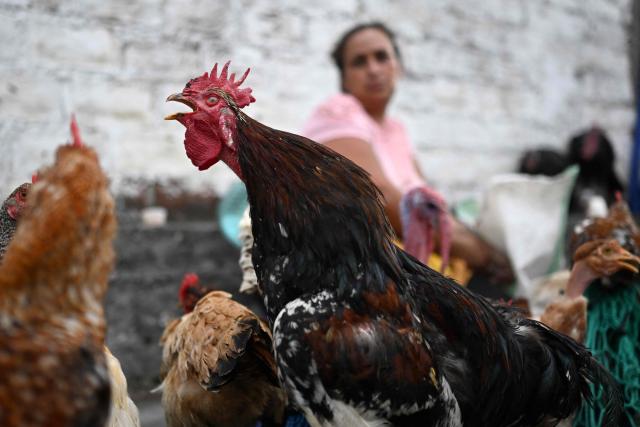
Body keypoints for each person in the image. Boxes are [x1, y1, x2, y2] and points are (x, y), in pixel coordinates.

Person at [301, 22, 514, 288]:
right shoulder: (338, 111)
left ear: (397, 67)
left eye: (381, 57)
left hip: (415, 263)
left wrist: (477, 245)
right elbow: (379, 195)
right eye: (359, 62)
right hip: (367, 273)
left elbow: (431, 206)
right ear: (344, 79)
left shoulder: (396, 130)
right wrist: (483, 254)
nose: (373, 69)